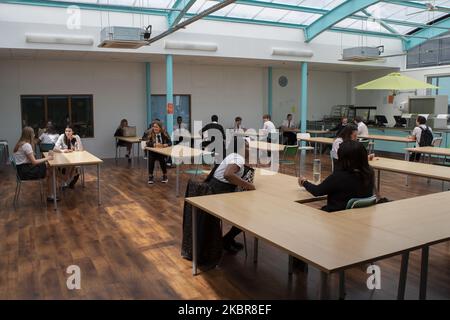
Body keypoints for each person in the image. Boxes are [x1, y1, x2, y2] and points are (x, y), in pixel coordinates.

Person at [208, 138, 255, 253]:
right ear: (240, 148)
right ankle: (227, 240)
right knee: (245, 215)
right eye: (247, 147)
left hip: (213, 190)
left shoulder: (232, 155)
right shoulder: (238, 158)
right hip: (221, 192)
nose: (249, 149)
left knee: (242, 212)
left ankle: (228, 239)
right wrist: (249, 185)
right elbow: (228, 174)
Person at [299, 140, 374, 212]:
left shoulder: (339, 177)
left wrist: (304, 182)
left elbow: (317, 191)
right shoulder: (369, 173)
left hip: (335, 216)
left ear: (343, 158)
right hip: (359, 216)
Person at [13, 126, 55, 201]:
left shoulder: (19, 144)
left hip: (21, 171)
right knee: (50, 171)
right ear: (29, 135)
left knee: (48, 168)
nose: (34, 135)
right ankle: (50, 195)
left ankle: (51, 193)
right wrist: (47, 158)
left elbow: (30, 161)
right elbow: (34, 162)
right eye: (33, 134)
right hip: (26, 172)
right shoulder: (26, 145)